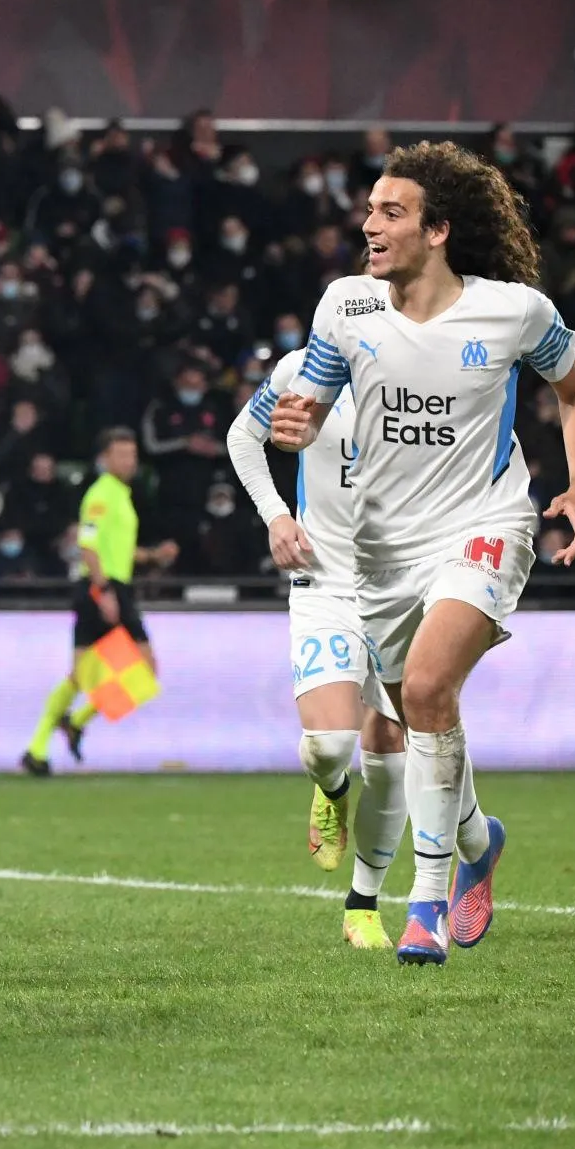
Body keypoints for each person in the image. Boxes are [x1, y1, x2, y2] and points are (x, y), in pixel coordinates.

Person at [271, 141, 575, 967]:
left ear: (439, 229)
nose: (369, 224)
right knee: (420, 713)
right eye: (370, 209)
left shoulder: (513, 311)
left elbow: (574, 391)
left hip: (486, 522)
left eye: (391, 212)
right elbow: (313, 396)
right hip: (383, 551)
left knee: (424, 687)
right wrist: (300, 423)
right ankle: (479, 839)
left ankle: (427, 906)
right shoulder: (345, 306)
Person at [229, 349, 408, 950]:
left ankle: (363, 905)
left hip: (404, 589)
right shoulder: (304, 370)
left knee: (390, 755)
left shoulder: (430, 369)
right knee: (331, 747)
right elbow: (242, 438)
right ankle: (331, 790)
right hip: (325, 581)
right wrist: (277, 517)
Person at [19, 427, 178, 774]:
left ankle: (46, 742)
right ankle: (63, 729)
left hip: (110, 585)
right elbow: (87, 545)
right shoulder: (101, 495)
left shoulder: (120, 494)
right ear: (104, 459)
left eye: (132, 455)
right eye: (121, 455)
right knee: (141, 667)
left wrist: (151, 556)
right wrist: (103, 589)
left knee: (83, 674)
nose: (129, 461)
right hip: (102, 588)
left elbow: (114, 548)